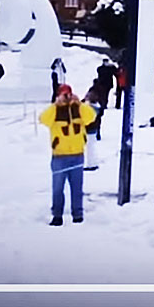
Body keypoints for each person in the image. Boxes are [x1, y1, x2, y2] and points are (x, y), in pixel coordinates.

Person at [39, 84, 96, 226]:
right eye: (64, 94)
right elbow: (43, 119)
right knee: (58, 189)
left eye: (68, 94)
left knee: (77, 188)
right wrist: (56, 105)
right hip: (60, 157)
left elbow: (91, 116)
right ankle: (57, 215)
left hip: (77, 155)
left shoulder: (78, 109)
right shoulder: (54, 111)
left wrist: (80, 104)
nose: (67, 97)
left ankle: (78, 214)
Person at [83, 77, 106, 142]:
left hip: (92, 106)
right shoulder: (102, 89)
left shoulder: (91, 89)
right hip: (98, 106)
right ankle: (98, 132)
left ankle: (89, 131)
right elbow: (103, 98)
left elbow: (86, 97)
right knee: (98, 120)